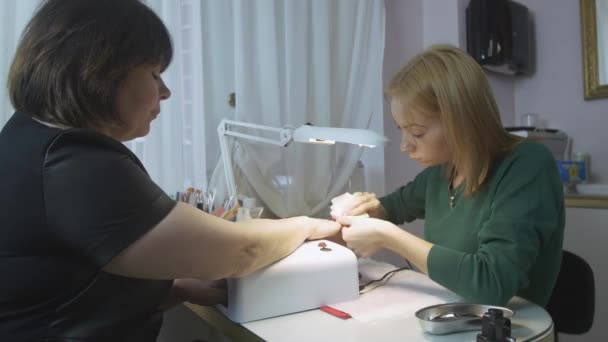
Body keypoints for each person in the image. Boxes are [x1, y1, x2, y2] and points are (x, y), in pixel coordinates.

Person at [0, 1, 340, 341]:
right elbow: (241, 251)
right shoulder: (71, 162)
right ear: (103, 70)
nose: (165, 91)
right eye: (154, 73)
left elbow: (67, 283)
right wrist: (305, 224)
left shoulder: (27, 138)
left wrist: (175, 289)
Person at [334, 45, 564, 307]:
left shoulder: (527, 165)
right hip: (453, 315)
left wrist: (389, 237)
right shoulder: (441, 173)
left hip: (513, 327)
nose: (405, 145)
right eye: (402, 130)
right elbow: (390, 207)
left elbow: (491, 283)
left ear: (461, 121)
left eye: (417, 133)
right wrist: (367, 209)